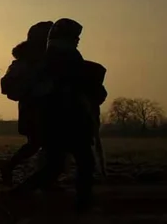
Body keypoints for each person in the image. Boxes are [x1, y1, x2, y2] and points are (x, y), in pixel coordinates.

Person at [11, 19, 107, 212]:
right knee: (82, 164)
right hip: (68, 119)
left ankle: (18, 194)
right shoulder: (63, 60)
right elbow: (81, 85)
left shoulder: (51, 60)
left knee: (57, 166)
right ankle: (82, 204)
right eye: (74, 37)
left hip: (58, 120)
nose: (77, 40)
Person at [0, 21, 53, 185]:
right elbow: (8, 84)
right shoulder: (26, 62)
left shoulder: (44, 59)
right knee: (40, 143)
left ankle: (43, 179)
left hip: (44, 106)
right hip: (33, 107)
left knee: (42, 144)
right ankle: (41, 180)